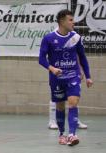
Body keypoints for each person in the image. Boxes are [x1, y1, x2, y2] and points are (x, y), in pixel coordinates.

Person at [39, 9, 93, 146]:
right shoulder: (49, 38)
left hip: (73, 76)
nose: (73, 22)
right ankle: (62, 133)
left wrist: (88, 76)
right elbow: (41, 59)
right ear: (62, 21)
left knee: (73, 102)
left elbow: (83, 58)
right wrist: (52, 68)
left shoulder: (76, 37)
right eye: (70, 20)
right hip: (57, 78)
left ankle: (72, 134)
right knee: (60, 107)